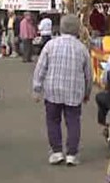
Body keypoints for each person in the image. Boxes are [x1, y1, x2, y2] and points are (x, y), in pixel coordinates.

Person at [32, 14, 92, 166]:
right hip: (74, 90)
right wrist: (87, 93)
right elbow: (88, 74)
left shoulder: (50, 45)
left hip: (52, 90)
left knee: (53, 121)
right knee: (73, 122)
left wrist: (37, 88)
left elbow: (41, 68)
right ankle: (72, 154)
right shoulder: (82, 48)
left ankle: (57, 152)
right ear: (78, 29)